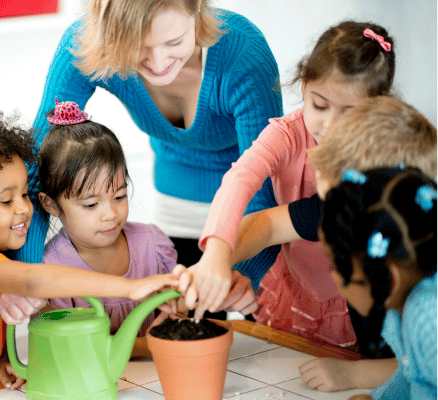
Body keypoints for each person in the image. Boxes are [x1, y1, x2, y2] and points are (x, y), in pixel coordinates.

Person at [0, 111, 178, 400]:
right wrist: (130, 287)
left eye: (24, 194)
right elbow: (34, 282)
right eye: (6, 200)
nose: (24, 208)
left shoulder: (0, 257)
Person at [14, 0, 284, 312]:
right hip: (175, 208)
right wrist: (24, 277)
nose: (157, 63)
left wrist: (244, 274)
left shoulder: (244, 54)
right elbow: (35, 169)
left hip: (250, 217)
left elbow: (265, 186)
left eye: (174, 42)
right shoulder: (84, 44)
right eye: (138, 47)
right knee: (173, 327)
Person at [178, 96, 436, 391]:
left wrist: (355, 376)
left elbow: (419, 364)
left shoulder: (427, 305)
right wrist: (215, 263)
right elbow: (267, 224)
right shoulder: (353, 205)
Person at [183, 21, 396, 348]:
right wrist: (216, 253)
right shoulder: (287, 133)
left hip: (362, 295)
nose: (331, 126)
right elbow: (242, 178)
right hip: (299, 286)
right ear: (303, 87)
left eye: (351, 113)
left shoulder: (386, 155)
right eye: (319, 105)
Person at [0, 100, 178, 357]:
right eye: (91, 204)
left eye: (119, 196)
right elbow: (73, 348)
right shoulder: (51, 271)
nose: (111, 214)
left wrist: (176, 309)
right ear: (51, 204)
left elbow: (177, 310)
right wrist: (148, 345)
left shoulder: (153, 244)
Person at [320, 167, 436, 400]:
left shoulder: (429, 319)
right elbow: (412, 375)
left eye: (339, 269)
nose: (333, 277)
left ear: (388, 278)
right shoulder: (400, 307)